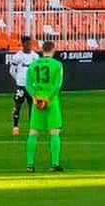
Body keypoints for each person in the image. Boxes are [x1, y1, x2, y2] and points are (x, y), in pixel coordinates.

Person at [25, 39, 64, 173]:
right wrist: (48, 99)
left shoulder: (33, 65)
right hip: (51, 101)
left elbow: (28, 85)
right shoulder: (57, 65)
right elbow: (57, 85)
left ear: (42, 50)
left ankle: (30, 165)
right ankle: (54, 164)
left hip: (37, 100)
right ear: (53, 50)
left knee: (33, 132)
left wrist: (35, 98)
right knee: (54, 132)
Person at [8, 36, 36, 135]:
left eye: (30, 43)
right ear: (23, 44)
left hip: (31, 86)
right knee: (17, 105)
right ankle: (15, 127)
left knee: (32, 106)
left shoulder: (35, 56)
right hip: (21, 85)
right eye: (27, 44)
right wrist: (18, 80)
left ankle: (32, 128)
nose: (29, 46)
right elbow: (12, 71)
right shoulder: (18, 56)